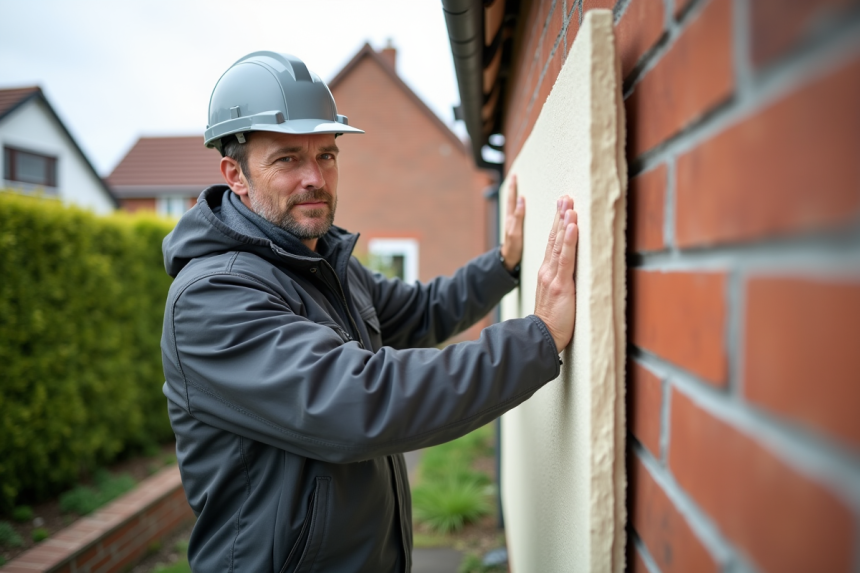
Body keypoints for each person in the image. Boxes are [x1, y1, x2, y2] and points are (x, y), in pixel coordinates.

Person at [161, 51, 579, 573]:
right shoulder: (213, 299)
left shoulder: (321, 263)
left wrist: (503, 265)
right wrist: (537, 338)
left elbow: (423, 311)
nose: (315, 177)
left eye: (328, 155)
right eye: (288, 158)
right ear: (236, 174)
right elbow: (362, 401)